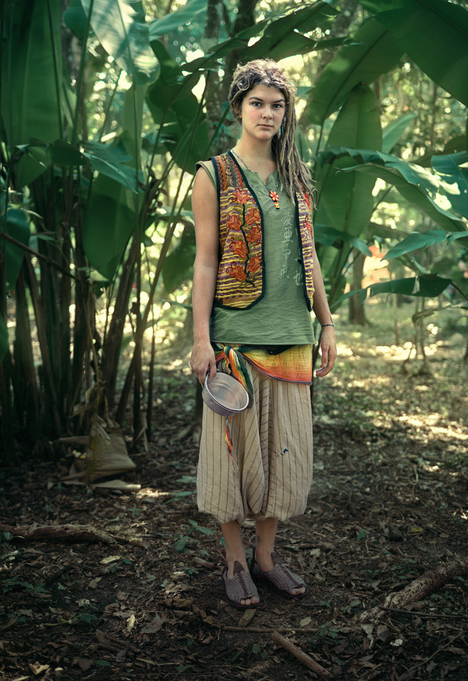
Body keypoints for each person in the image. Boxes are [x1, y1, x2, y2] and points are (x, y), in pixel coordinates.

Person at [190, 59, 336, 608]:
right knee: (232, 455)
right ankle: (234, 559)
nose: (268, 114)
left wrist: (326, 322)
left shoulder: (297, 176)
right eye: (257, 103)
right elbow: (206, 261)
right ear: (237, 108)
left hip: (293, 335)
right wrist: (200, 339)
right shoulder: (214, 175)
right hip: (235, 337)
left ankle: (267, 558)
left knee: (282, 451)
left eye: (277, 105)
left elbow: (309, 256)